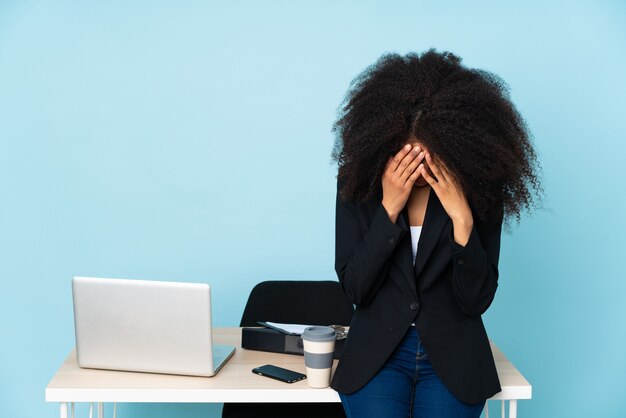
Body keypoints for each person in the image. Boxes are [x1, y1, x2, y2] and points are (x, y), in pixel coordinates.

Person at [329, 49, 541, 418]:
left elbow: (475, 300)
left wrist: (462, 218)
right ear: (382, 146)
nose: (417, 171)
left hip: (454, 360)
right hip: (378, 355)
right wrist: (389, 209)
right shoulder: (357, 184)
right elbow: (355, 289)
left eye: (429, 159)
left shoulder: (479, 189)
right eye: (406, 157)